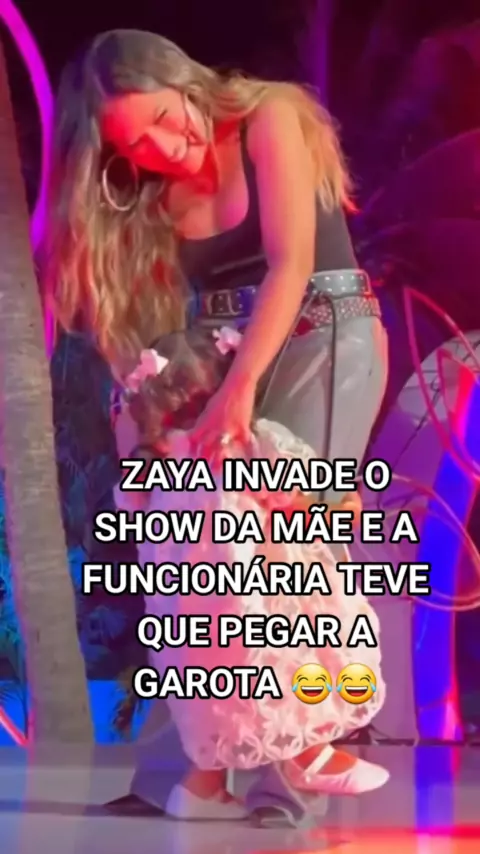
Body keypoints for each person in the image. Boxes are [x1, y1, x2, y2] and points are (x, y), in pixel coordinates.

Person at [42, 29, 389, 822]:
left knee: (287, 543)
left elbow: (292, 264)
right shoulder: (144, 197)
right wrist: (156, 414)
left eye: (166, 119)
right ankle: (195, 777)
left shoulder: (268, 118)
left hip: (321, 334)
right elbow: (141, 323)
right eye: (139, 146)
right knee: (201, 558)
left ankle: (284, 784)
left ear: (185, 81)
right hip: (220, 352)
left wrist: (239, 391)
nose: (169, 147)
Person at [112, 325, 387, 821]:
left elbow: (132, 514)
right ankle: (307, 758)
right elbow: (299, 496)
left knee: (215, 701)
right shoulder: (253, 443)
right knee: (286, 671)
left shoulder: (155, 462)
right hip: (257, 599)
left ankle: (199, 791)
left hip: (193, 620)